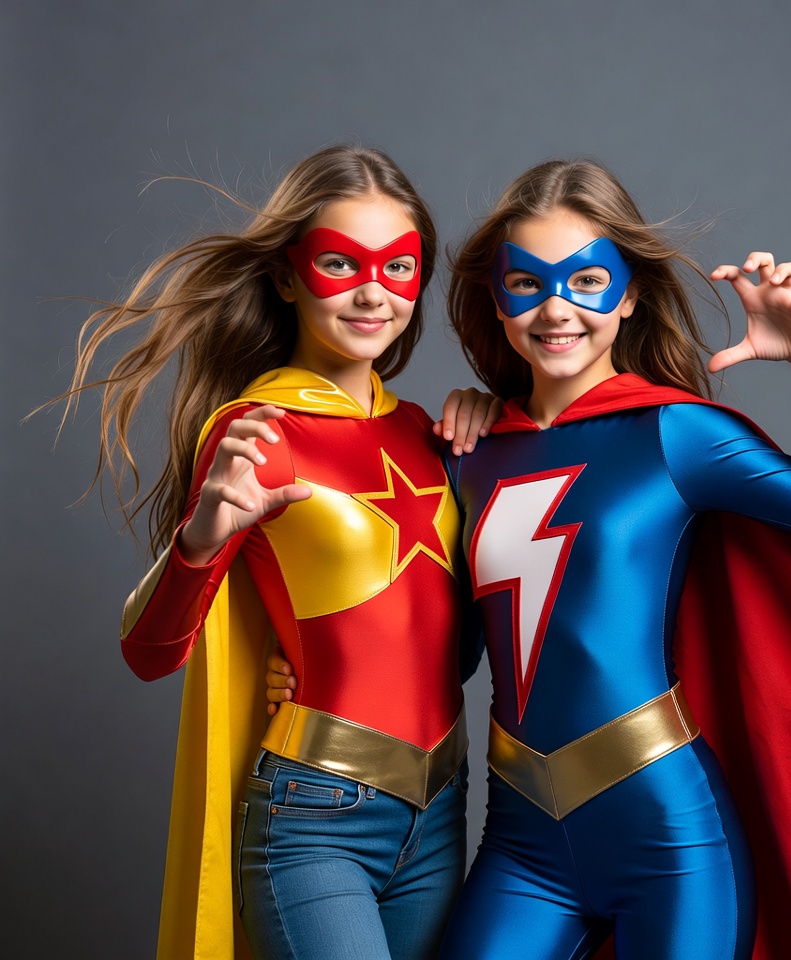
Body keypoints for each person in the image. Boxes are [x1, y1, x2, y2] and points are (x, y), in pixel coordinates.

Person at [432, 160, 791, 959]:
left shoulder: (677, 433)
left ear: (631, 294)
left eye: (587, 281)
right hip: (520, 837)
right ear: (495, 299)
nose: (556, 309)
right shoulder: (470, 455)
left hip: (668, 838)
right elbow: (459, 650)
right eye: (527, 285)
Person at [59, 145, 500, 960]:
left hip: (441, 807)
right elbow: (149, 654)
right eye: (340, 262)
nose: (374, 291)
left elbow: (458, 647)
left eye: (399, 267)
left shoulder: (430, 435)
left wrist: (489, 435)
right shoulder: (258, 431)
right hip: (317, 812)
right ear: (288, 277)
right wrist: (201, 540)